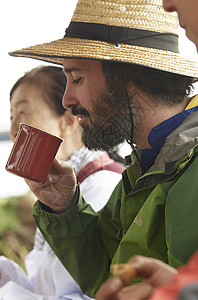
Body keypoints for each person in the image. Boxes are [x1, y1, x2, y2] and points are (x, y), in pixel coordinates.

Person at [8, 0, 198, 298]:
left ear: (129, 75)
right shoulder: (145, 164)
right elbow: (106, 275)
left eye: (77, 78)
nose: (67, 100)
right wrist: (65, 206)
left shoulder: (189, 168)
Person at [0, 65, 124, 299]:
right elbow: (45, 287)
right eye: (11, 117)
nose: (15, 129)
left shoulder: (103, 185)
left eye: (23, 113)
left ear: (68, 120)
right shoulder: (55, 192)